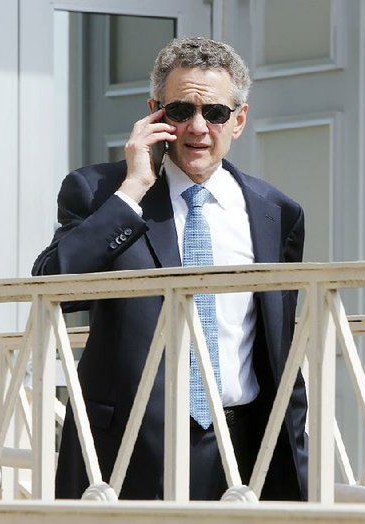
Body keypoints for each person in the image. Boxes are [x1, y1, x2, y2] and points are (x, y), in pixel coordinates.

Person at [32, 37, 307, 501]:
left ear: (238, 120)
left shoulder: (277, 211)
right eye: (181, 111)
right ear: (155, 113)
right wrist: (134, 187)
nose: (197, 128)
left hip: (242, 448)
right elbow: (54, 285)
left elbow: (280, 349)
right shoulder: (100, 191)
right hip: (127, 450)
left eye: (215, 113)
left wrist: (298, 462)